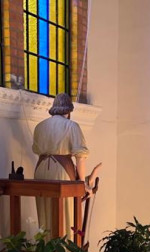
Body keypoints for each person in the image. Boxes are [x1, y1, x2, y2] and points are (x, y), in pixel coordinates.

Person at [32, 92, 100, 237]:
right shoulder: (71, 126)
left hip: (41, 169)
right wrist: (82, 183)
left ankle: (45, 248)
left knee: (45, 211)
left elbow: (37, 150)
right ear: (68, 110)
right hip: (61, 170)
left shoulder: (40, 127)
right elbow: (80, 157)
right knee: (66, 212)